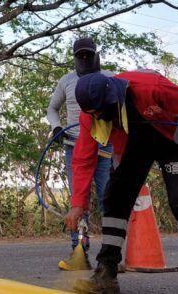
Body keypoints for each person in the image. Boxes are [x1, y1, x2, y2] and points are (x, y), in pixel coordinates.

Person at [64, 71, 178, 294]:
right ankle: (106, 273)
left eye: (104, 111)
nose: (101, 116)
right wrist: (78, 203)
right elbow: (83, 159)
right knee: (115, 198)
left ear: (113, 97)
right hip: (132, 143)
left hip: (172, 138)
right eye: (96, 114)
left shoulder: (150, 87)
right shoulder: (90, 115)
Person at [45, 37, 113, 269]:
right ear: (74, 57)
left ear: (96, 55)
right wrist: (56, 127)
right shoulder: (67, 81)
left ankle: (112, 256)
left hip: (105, 147)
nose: (84, 59)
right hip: (75, 146)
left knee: (109, 200)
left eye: (88, 54)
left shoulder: (110, 78)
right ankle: (79, 254)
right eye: (80, 55)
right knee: (78, 201)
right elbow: (52, 108)